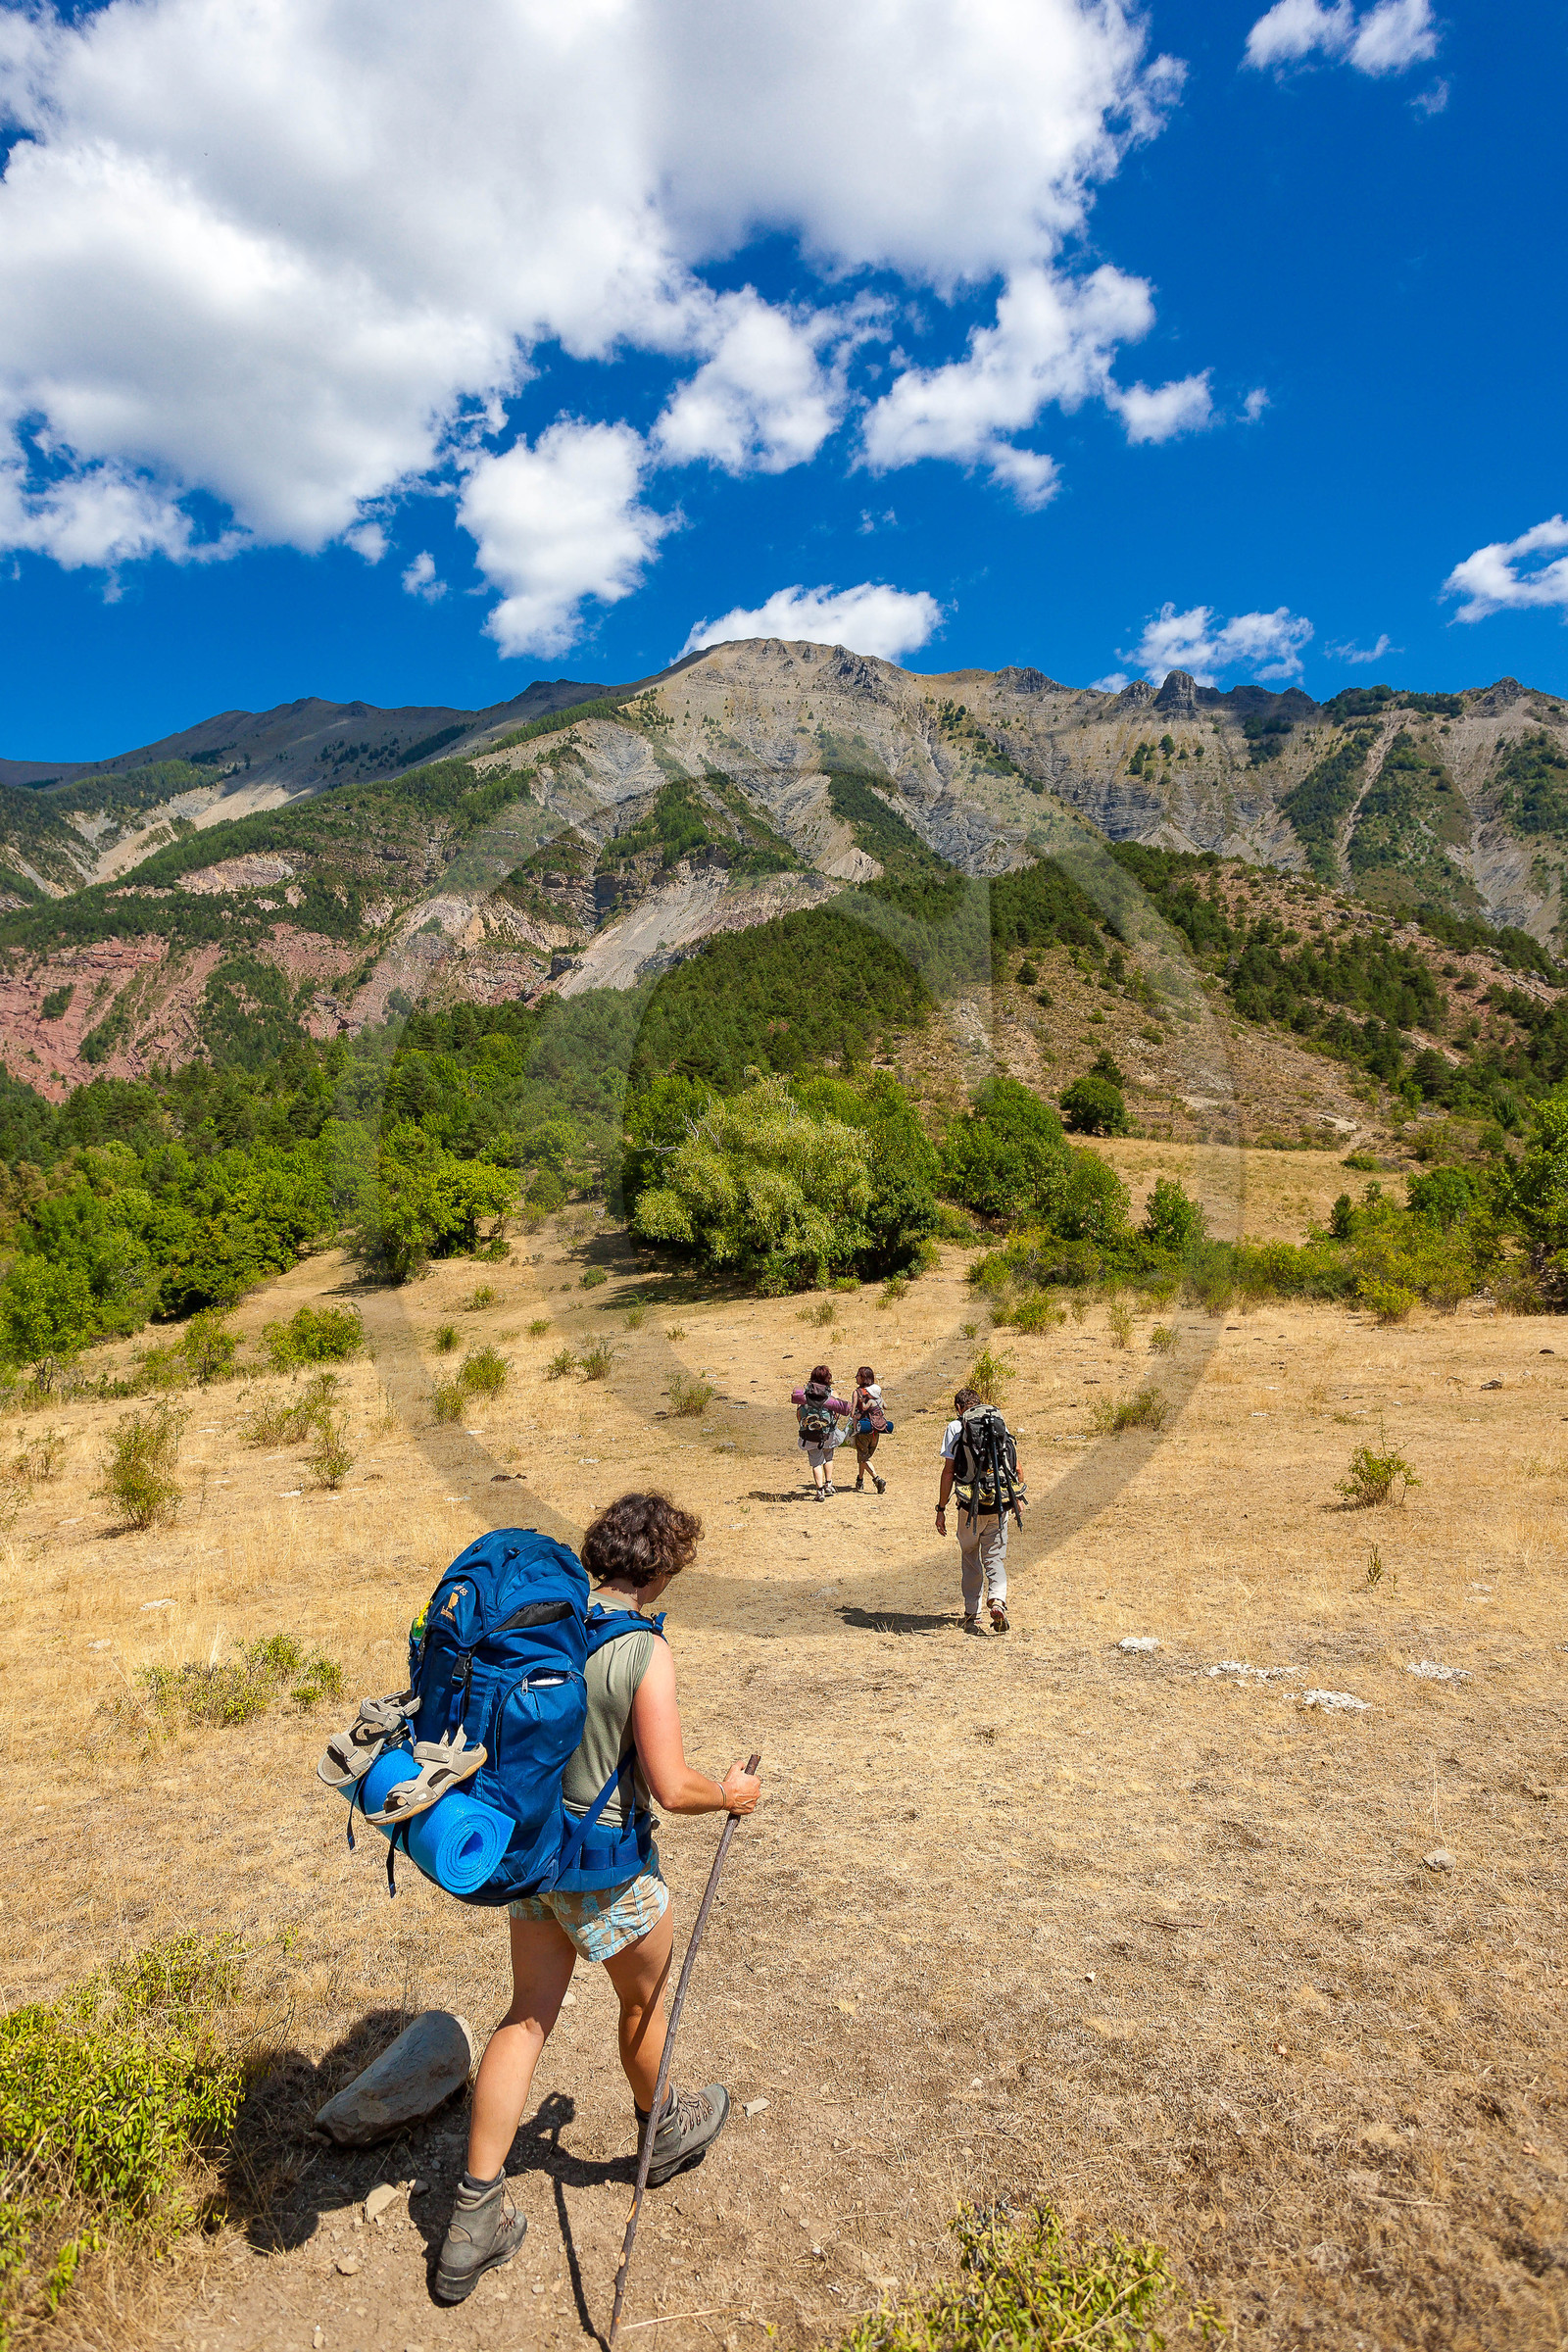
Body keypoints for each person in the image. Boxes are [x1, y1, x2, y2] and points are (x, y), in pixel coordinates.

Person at [434, 1493, 763, 2306]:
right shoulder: (641, 1652)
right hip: (608, 1869)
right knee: (642, 2011)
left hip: (529, 1863)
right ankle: (669, 2130)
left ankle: (472, 2218)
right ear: (665, 1568)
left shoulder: (541, 1622)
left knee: (526, 2019)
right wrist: (731, 1794)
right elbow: (669, 1783)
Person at [934, 1386, 1021, 1636]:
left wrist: (941, 1509)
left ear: (960, 1408)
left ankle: (973, 1612)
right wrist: (1018, 1500)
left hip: (968, 1505)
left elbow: (949, 1471)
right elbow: (1015, 1463)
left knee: (970, 1555)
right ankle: (997, 1600)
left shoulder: (956, 1426)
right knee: (994, 1557)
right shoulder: (996, 1420)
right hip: (999, 1501)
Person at [792, 1361, 850, 1500]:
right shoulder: (832, 1393)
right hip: (828, 1433)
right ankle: (829, 1484)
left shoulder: (804, 1394)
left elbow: (799, 1413)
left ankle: (819, 1491)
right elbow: (839, 1412)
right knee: (828, 1456)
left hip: (810, 1433)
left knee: (816, 1462)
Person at [849, 1363, 889, 1494]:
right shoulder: (876, 1393)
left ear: (863, 1378)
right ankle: (860, 1480)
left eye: (857, 1376)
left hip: (863, 1428)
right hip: (876, 1430)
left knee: (864, 1458)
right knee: (863, 1456)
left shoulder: (857, 1392)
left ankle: (877, 1479)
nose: (855, 1378)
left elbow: (852, 1412)